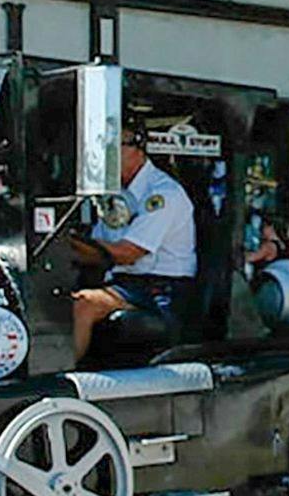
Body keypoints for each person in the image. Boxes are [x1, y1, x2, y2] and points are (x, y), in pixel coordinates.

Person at [69, 127, 198, 362]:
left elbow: (128, 253)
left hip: (160, 291)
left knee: (84, 304)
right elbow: (99, 250)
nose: (106, 158)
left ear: (138, 150)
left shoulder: (163, 194)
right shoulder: (114, 194)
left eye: (113, 149)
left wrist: (77, 245)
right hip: (125, 285)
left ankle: (60, 382)